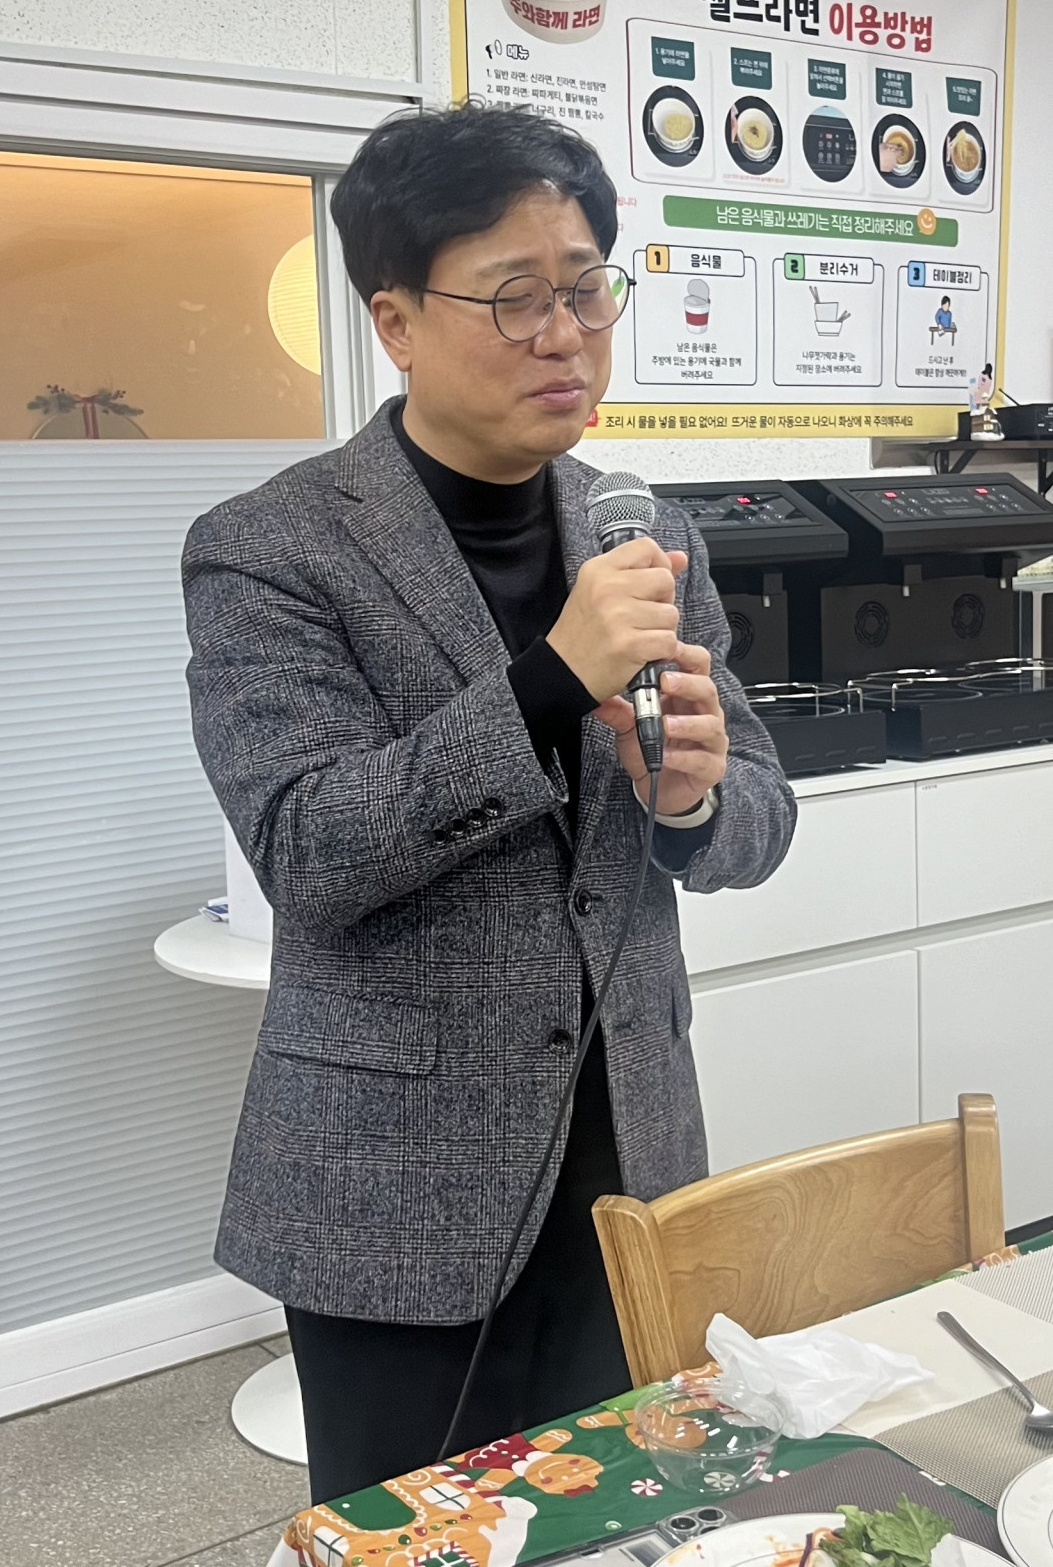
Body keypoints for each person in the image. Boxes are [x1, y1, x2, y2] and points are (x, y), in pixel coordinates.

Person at [181, 102, 797, 1504]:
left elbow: (758, 816)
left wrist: (697, 803)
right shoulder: (269, 548)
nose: (564, 335)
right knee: (420, 1531)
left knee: (622, 1510)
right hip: (398, 1183)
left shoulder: (644, 528)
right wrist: (549, 682)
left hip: (631, 1154)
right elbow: (310, 848)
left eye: (587, 289)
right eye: (515, 297)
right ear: (396, 322)